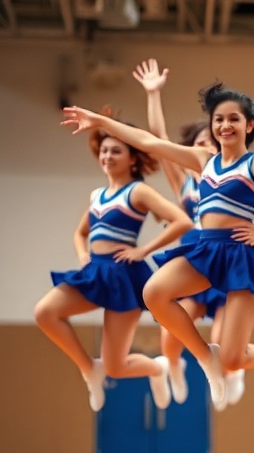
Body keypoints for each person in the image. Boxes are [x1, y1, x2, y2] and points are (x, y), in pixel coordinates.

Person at [61, 83, 254, 408]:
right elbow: (149, 141)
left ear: (249, 125)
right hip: (207, 250)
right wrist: (101, 121)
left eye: (234, 119)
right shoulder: (202, 160)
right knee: (154, 293)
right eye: (218, 119)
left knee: (233, 357)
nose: (225, 125)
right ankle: (204, 356)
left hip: (242, 254)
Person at [35, 109, 193, 411]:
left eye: (116, 151)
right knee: (45, 313)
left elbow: (182, 221)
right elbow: (80, 233)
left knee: (116, 367)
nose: (107, 156)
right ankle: (88, 368)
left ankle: (157, 368)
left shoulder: (138, 191)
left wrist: (143, 251)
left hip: (124, 276)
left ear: (132, 158)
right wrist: (83, 255)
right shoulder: (97, 195)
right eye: (104, 150)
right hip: (95, 271)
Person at [132, 59, 235, 408]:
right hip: (193, 260)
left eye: (211, 141)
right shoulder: (184, 181)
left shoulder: (230, 173)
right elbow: (158, 140)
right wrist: (153, 95)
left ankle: (231, 374)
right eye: (200, 141)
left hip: (222, 259)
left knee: (225, 340)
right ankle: (174, 366)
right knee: (170, 335)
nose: (206, 146)